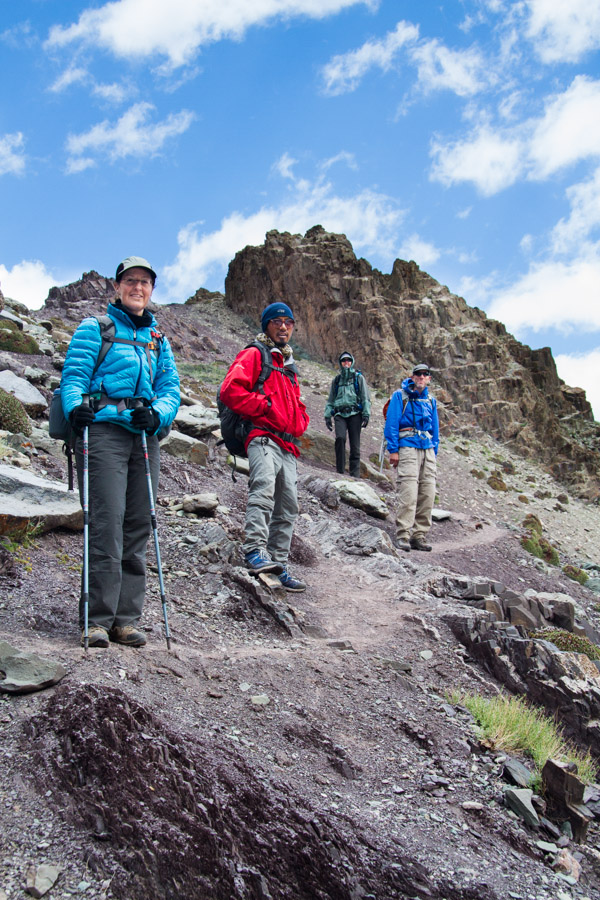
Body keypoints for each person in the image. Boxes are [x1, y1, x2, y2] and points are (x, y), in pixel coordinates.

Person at [61, 256, 180, 647]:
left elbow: (170, 389)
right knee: (106, 523)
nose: (137, 287)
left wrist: (158, 415)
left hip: (143, 437)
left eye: (145, 282)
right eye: (130, 280)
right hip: (103, 434)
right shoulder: (96, 328)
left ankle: (125, 620)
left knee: (138, 525)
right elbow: (74, 377)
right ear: (117, 286)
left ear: (151, 289)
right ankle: (97, 619)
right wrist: (75, 408)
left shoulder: (158, 340)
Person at [220, 301, 309, 591]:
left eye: (288, 322)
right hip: (262, 436)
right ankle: (255, 550)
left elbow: (296, 404)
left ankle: (278, 563)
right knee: (264, 488)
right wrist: (265, 406)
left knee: (289, 505)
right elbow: (230, 390)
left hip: (287, 443)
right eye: (276, 321)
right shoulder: (255, 353)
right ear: (266, 325)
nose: (283, 327)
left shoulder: (288, 364)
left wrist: (301, 420)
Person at [384, 363, 439, 552]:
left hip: (427, 448)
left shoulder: (431, 400)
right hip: (407, 446)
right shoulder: (400, 396)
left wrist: (434, 451)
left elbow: (435, 429)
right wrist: (393, 450)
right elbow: (392, 423)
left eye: (425, 374)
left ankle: (419, 536)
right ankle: (403, 535)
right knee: (408, 490)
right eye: (418, 374)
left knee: (428, 492)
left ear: (429, 378)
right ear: (413, 376)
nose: (421, 377)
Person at [324, 351, 370, 478]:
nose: (346, 363)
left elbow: (365, 397)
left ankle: (355, 475)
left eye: (348, 360)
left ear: (352, 362)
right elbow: (331, 400)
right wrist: (327, 416)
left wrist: (366, 414)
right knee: (340, 438)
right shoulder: (336, 380)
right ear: (340, 363)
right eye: (343, 361)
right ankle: (340, 471)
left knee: (355, 446)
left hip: (355, 414)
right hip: (339, 414)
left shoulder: (358, 378)